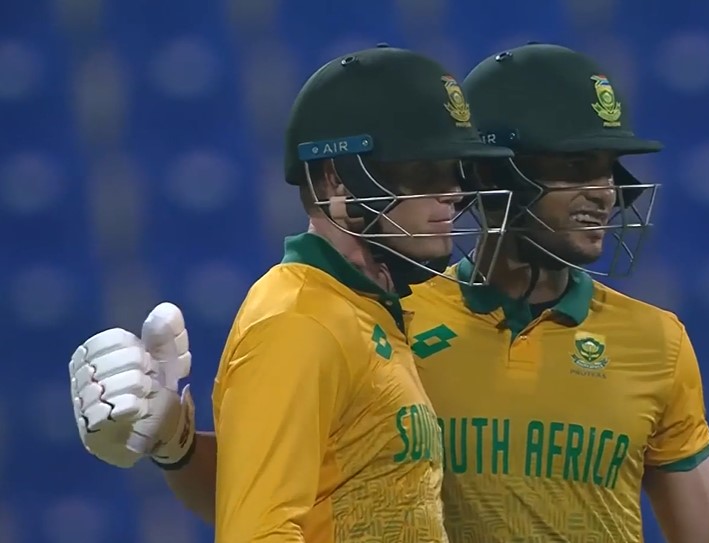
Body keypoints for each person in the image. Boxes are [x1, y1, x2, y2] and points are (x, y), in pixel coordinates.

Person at [69, 44, 709, 543]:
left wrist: (176, 442)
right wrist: (180, 448)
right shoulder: (369, 317)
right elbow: (275, 504)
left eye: (608, 171)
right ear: (497, 177)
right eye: (575, 165)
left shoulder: (656, 343)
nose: (605, 193)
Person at [69, 45, 513, 542]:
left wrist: (182, 446)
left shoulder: (364, 307)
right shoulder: (300, 321)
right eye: (424, 171)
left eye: (456, 170)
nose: (453, 192)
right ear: (336, 181)